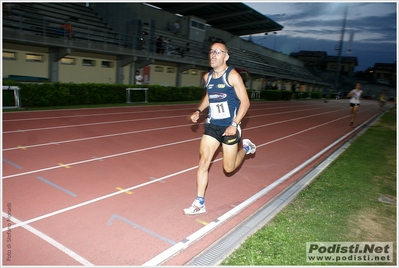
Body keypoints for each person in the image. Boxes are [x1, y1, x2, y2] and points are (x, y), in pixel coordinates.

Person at [183, 41, 256, 215]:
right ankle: (199, 202)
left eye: (218, 52)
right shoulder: (207, 77)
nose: (213, 55)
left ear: (226, 56)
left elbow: (245, 103)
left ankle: (246, 147)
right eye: (211, 52)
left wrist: (234, 124)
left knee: (228, 168)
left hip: (230, 127)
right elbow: (209, 96)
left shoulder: (233, 76)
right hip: (212, 126)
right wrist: (199, 110)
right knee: (203, 162)